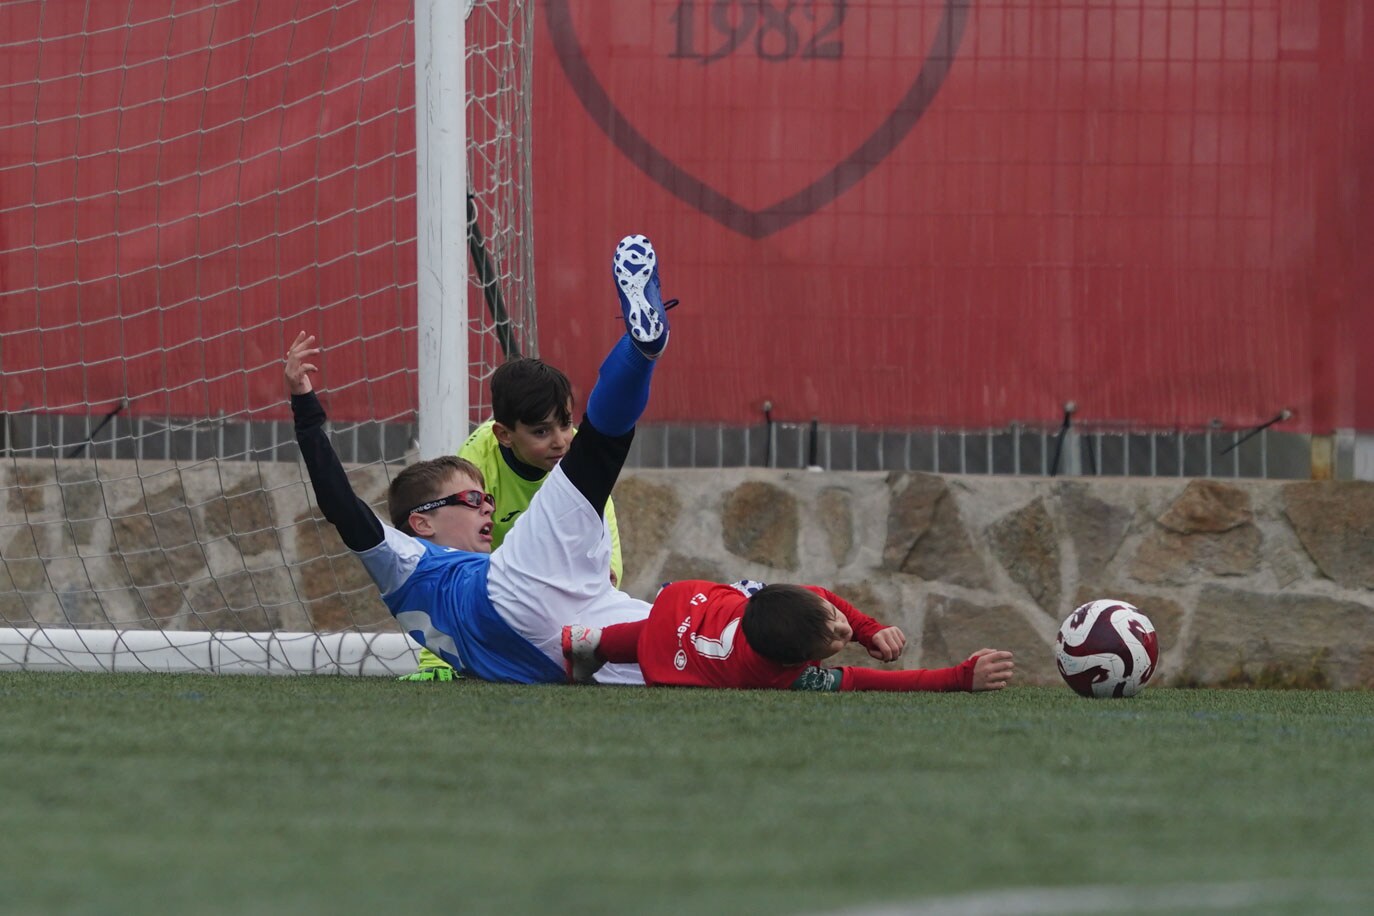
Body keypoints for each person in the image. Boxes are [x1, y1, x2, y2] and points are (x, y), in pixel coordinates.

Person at [286, 233, 673, 684]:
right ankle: (640, 351)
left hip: (561, 638)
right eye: (470, 500)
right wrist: (305, 411)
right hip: (514, 601)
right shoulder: (407, 560)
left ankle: (745, 614)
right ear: (422, 523)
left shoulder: (438, 578)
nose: (487, 504)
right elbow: (340, 506)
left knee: (688, 644)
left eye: (484, 499)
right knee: (596, 453)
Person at [400, 357, 625, 682]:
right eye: (541, 432)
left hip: (556, 577)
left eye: (565, 424)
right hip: (491, 577)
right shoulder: (474, 468)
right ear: (504, 435)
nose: (561, 440)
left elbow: (603, 524)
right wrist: (435, 657)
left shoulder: (579, 455)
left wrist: (609, 572)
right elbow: (448, 558)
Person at [561, 580, 1016, 692]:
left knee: (655, 630)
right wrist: (958, 677)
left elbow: (824, 598)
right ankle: (597, 645)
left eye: (836, 618)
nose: (844, 628)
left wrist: (868, 630)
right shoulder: (784, 677)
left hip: (684, 607)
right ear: (800, 662)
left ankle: (594, 642)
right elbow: (865, 680)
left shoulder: (798, 604)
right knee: (650, 642)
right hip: (671, 656)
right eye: (837, 639)